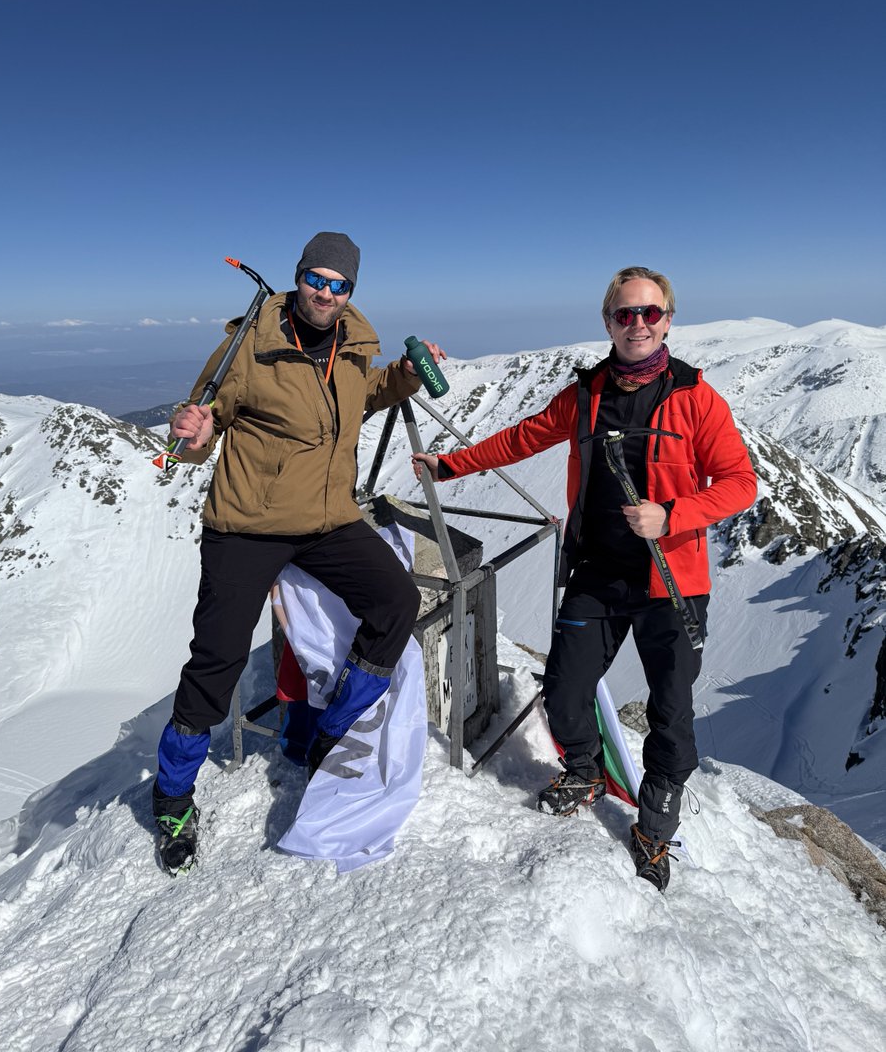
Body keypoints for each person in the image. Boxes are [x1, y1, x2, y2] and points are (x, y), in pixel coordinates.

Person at [413, 266, 756, 891]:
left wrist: (671, 514)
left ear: (668, 320)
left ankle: (654, 827)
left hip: (671, 582)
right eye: (626, 314)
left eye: (650, 313)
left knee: (671, 712)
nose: (638, 324)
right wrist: (450, 465)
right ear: (608, 322)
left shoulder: (696, 398)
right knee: (565, 692)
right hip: (598, 572)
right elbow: (524, 437)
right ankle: (585, 770)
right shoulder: (587, 393)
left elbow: (740, 483)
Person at [153, 231, 445, 874]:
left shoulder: (352, 345)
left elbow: (361, 396)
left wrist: (402, 377)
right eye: (317, 278)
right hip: (246, 526)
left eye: (340, 285)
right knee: (218, 659)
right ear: (298, 276)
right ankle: (172, 794)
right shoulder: (249, 343)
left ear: (350, 291)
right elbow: (202, 421)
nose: (326, 292)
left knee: (396, 600)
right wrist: (192, 435)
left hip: (325, 521)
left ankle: (330, 730)